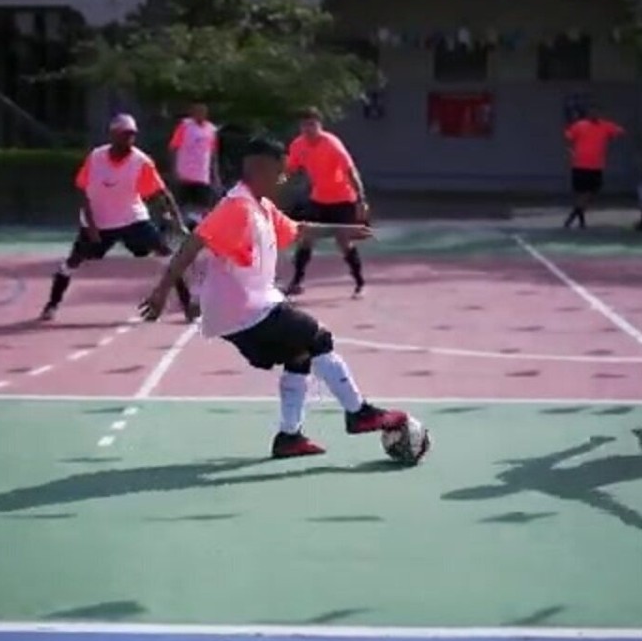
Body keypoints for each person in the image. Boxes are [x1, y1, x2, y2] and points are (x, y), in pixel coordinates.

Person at [138, 137, 409, 459]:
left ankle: (289, 437)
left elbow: (298, 229)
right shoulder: (236, 207)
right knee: (318, 337)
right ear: (259, 169)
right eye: (280, 173)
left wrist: (342, 229)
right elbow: (194, 244)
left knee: (299, 356)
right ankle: (359, 413)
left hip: (249, 308)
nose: (284, 180)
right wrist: (161, 290)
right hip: (244, 309)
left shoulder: (261, 208)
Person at [40, 113, 196, 322]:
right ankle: (52, 304)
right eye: (124, 135)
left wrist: (177, 222)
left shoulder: (141, 161)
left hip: (132, 219)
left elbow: (162, 194)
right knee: (73, 261)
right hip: (98, 222)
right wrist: (92, 226)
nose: (128, 139)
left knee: (169, 256)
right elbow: (83, 192)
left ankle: (188, 306)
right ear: (112, 135)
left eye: (132, 135)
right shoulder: (96, 157)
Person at [282, 108, 369, 298]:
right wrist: (276, 183)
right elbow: (290, 169)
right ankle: (296, 282)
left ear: (320, 125)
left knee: (343, 241)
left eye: (313, 124)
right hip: (318, 198)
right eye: (305, 125)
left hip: (343, 198)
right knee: (306, 237)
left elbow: (351, 171)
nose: (309, 129)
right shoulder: (298, 145)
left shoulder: (331, 143)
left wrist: (361, 199)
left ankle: (359, 282)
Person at [563, 106, 625, 229]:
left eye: (597, 111)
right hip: (580, 164)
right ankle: (578, 219)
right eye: (592, 112)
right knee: (581, 193)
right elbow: (568, 137)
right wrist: (570, 150)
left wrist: (612, 136)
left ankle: (576, 214)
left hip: (596, 165)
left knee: (591, 192)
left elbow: (620, 131)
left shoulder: (605, 125)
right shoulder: (580, 125)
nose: (594, 114)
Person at [167, 101, 219, 230]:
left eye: (202, 110)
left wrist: (215, 174)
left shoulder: (211, 129)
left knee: (203, 205)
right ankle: (178, 228)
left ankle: (196, 229)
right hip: (184, 173)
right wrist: (173, 169)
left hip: (202, 174)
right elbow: (174, 147)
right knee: (181, 204)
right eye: (197, 110)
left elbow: (213, 154)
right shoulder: (185, 126)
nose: (199, 113)